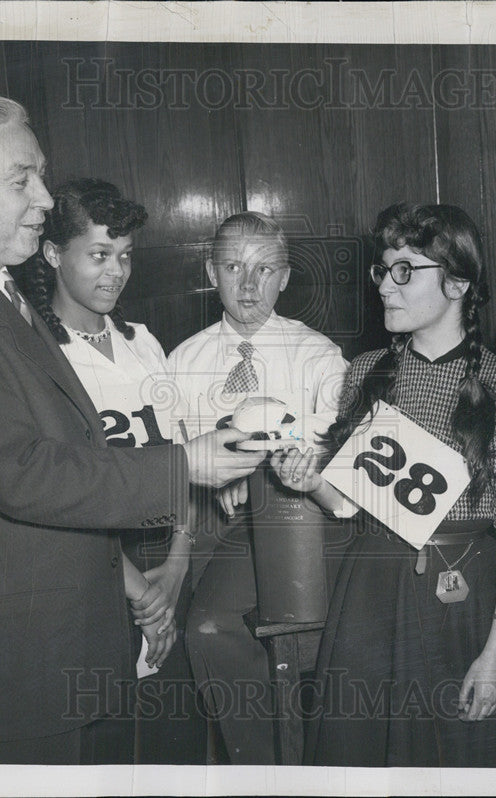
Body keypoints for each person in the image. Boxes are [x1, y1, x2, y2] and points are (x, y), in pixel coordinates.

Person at [0, 95, 263, 764]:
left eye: (40, 174)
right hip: (5, 680)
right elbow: (24, 473)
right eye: (22, 179)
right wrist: (184, 465)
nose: (45, 197)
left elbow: (73, 451)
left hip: (59, 658)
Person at [271, 203, 496, 767]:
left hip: (463, 600)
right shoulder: (365, 370)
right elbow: (346, 506)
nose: (386, 286)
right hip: (370, 596)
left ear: (457, 282)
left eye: (406, 270)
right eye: (383, 269)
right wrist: (309, 481)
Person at [22, 176, 205, 763]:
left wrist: (176, 567)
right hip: (95, 565)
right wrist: (140, 593)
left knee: (173, 743)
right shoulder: (37, 354)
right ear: (53, 254)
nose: (116, 272)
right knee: (108, 746)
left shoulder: (143, 343)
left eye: (125, 256)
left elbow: (182, 462)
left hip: (168, 559)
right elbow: (58, 489)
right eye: (99, 255)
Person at [169, 211, 348, 764]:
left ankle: (271, 769)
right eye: (233, 267)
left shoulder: (319, 356)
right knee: (173, 647)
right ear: (210, 271)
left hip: (292, 529)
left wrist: (252, 471)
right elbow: (172, 457)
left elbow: (334, 448)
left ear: (286, 277)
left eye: (265, 270)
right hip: (203, 528)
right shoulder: (181, 361)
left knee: (211, 629)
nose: (248, 286)